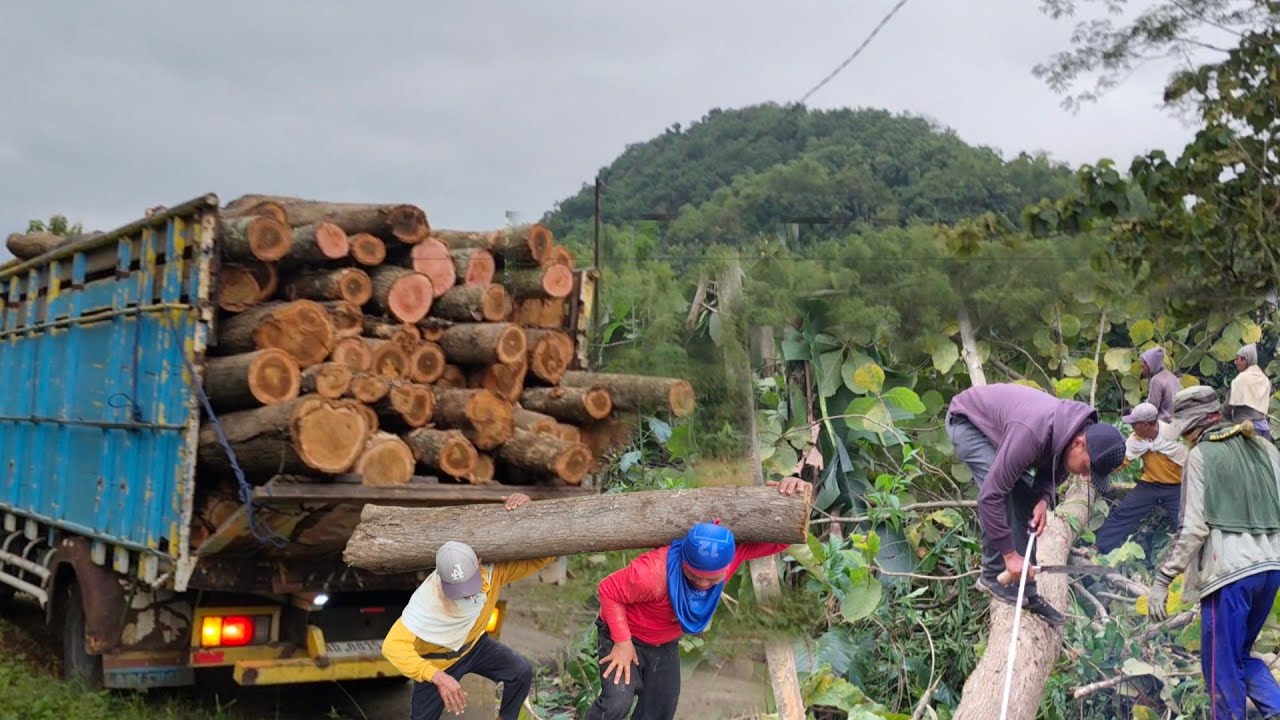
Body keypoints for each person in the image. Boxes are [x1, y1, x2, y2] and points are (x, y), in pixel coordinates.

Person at [585, 477, 811, 720]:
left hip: (664, 642)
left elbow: (782, 539)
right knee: (616, 704)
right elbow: (608, 590)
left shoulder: (731, 555)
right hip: (625, 633)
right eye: (693, 575)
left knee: (660, 710)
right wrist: (622, 642)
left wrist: (797, 497)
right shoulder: (652, 573)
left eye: (712, 579)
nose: (702, 584)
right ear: (683, 560)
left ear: (726, 566)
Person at [1147, 386, 1280, 719]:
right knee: (1240, 656)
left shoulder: (1200, 456)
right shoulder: (1265, 447)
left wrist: (1163, 579)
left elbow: (1192, 528)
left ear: (1192, 427)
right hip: (1272, 568)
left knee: (1220, 668)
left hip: (1230, 575)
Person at [945, 383, 1126, 626]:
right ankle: (992, 575)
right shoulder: (1032, 434)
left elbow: (1054, 468)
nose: (1085, 476)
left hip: (1007, 431)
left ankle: (1026, 591)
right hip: (968, 423)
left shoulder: (1070, 433)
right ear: (1079, 443)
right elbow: (989, 497)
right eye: (1087, 468)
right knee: (1003, 493)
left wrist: (1042, 499)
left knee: (1025, 499)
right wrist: (1010, 555)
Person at [381, 493, 550, 720]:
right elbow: (392, 646)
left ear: (478, 562)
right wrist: (437, 677)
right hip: (437, 661)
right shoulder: (426, 604)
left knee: (520, 671)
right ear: (441, 579)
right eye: (458, 589)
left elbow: (541, 557)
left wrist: (531, 512)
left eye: (470, 583)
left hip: (474, 646)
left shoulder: (494, 572)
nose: (468, 594)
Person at [1094, 402, 1188, 553]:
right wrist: (1097, 471)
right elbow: (1121, 461)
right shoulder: (1136, 439)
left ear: (1145, 425)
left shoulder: (1173, 437)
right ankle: (1096, 548)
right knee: (1123, 512)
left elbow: (1191, 463)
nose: (1132, 427)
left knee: (1185, 521)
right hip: (1150, 484)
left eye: (1134, 424)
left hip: (1177, 487)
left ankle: (1190, 558)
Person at [1228, 343, 1273, 441]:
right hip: (1264, 430)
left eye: (1237, 359)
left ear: (1246, 360)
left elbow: (1228, 406)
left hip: (1247, 431)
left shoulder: (1241, 379)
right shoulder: (1264, 379)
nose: (1235, 362)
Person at [1141, 346, 1181, 422]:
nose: (1142, 365)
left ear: (1152, 364)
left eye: (1145, 363)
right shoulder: (1172, 376)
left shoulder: (1156, 380)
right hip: (1176, 418)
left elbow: (1152, 409)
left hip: (1164, 421)